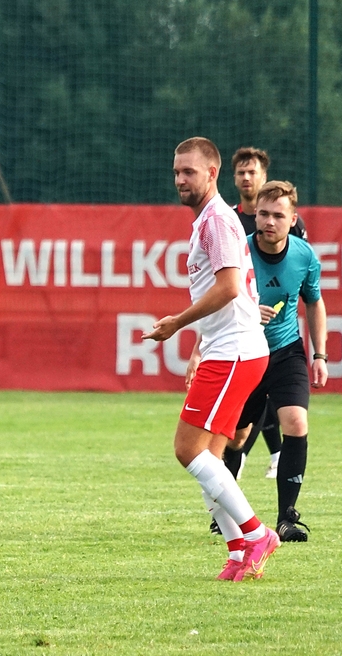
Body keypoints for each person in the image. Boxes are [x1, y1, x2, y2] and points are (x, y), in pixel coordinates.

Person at [143, 137, 278, 582]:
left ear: (212, 173)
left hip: (235, 351)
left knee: (188, 450)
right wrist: (199, 346)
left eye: (189, 172)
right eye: (176, 172)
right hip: (232, 349)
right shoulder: (208, 219)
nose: (180, 179)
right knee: (212, 460)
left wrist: (177, 324)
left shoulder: (217, 219)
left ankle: (257, 534)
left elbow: (229, 287)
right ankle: (238, 552)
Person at [220, 181, 326, 542]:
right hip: (246, 351)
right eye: (263, 214)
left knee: (296, 422)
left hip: (286, 352)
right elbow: (217, 300)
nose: (269, 221)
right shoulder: (238, 252)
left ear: (292, 219)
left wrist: (320, 354)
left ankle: (286, 518)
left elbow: (314, 302)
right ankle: (227, 512)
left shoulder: (304, 255)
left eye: (278, 215)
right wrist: (249, 311)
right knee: (236, 438)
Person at [229, 147, 310, 479]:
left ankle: (275, 458)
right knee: (238, 427)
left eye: (253, 172)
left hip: (280, 339)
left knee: (286, 407)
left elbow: (301, 276)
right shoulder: (230, 223)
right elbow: (220, 289)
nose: (246, 178)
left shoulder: (292, 229)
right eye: (241, 173)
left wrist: (318, 352)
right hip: (241, 338)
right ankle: (242, 459)